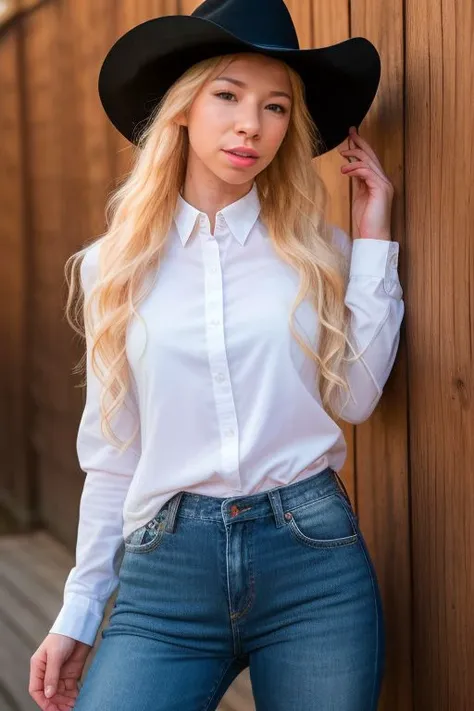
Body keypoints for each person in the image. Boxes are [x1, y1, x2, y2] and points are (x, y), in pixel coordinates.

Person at [29, 0, 404, 709]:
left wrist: (375, 238)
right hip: (166, 580)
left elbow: (355, 396)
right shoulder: (113, 266)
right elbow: (112, 454)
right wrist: (79, 612)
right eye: (227, 96)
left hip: (313, 567)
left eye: (275, 107)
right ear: (181, 109)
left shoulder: (318, 251)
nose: (250, 126)